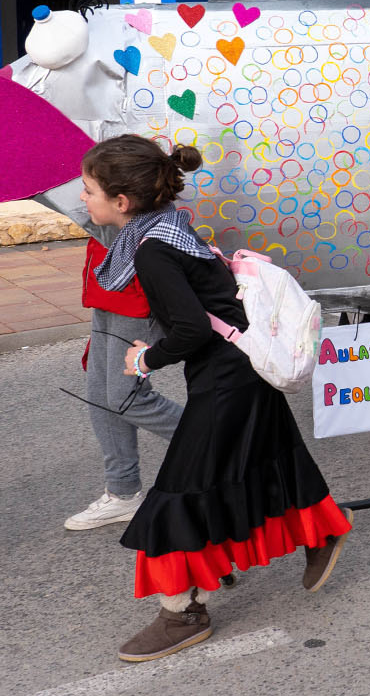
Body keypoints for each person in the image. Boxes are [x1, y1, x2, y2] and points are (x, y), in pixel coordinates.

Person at [83, 135, 352, 662]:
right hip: (245, 362)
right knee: (267, 463)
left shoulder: (152, 248)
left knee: (180, 493)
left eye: (90, 191)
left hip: (227, 376)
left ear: (122, 202)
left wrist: (145, 359)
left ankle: (182, 611)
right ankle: (321, 533)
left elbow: (189, 331)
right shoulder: (167, 226)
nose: (84, 199)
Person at [62, 223, 188, 531]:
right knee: (100, 396)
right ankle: (123, 491)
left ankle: (222, 439)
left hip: (135, 297)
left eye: (90, 191)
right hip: (106, 289)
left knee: (127, 398)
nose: (83, 197)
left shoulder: (139, 197)